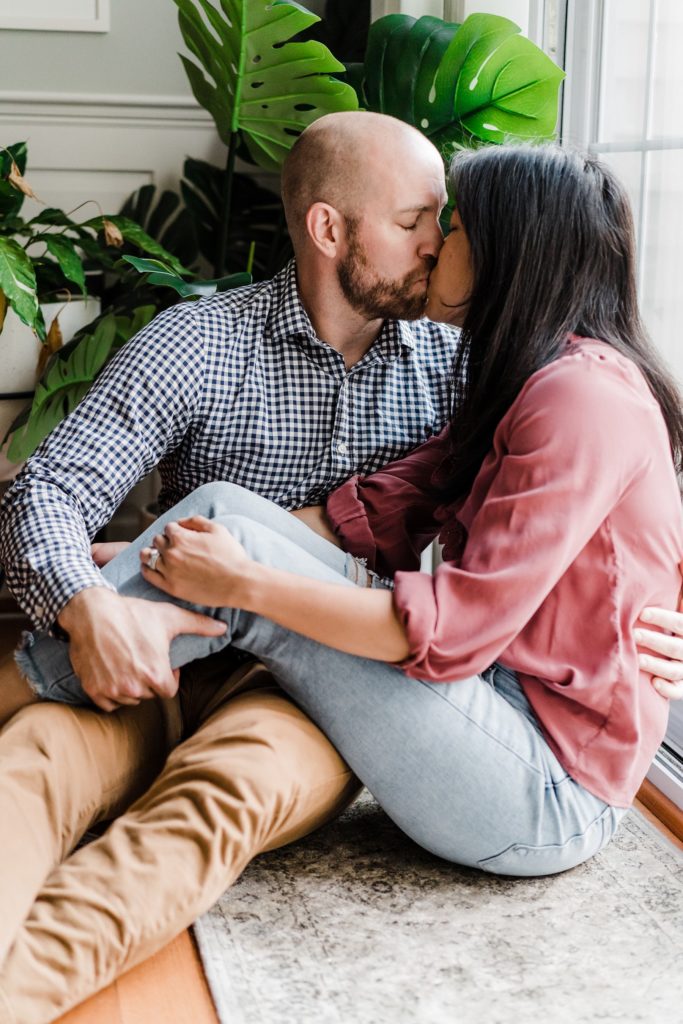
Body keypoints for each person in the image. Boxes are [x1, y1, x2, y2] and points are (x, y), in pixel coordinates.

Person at [0, 130, 682, 1023]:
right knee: (35, 763)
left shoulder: (474, 366)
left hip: (341, 693)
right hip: (166, 648)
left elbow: (607, 505)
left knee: (220, 802)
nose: (437, 241)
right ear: (328, 229)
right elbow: (50, 490)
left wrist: (654, 609)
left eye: (449, 222)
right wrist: (101, 597)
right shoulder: (202, 341)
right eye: (414, 221)